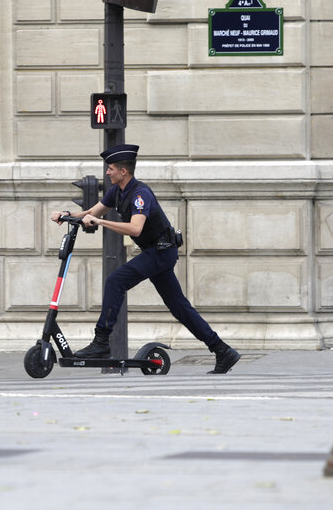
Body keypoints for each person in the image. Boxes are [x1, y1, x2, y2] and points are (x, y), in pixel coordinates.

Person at [49, 144, 241, 374]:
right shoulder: (116, 191)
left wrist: (100, 222)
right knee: (179, 307)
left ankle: (101, 342)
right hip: (154, 252)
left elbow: (135, 229)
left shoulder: (141, 194)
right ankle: (222, 350)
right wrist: (69, 215)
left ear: (123, 171)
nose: (107, 173)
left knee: (115, 281)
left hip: (161, 251)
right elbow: (94, 211)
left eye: (110, 169)